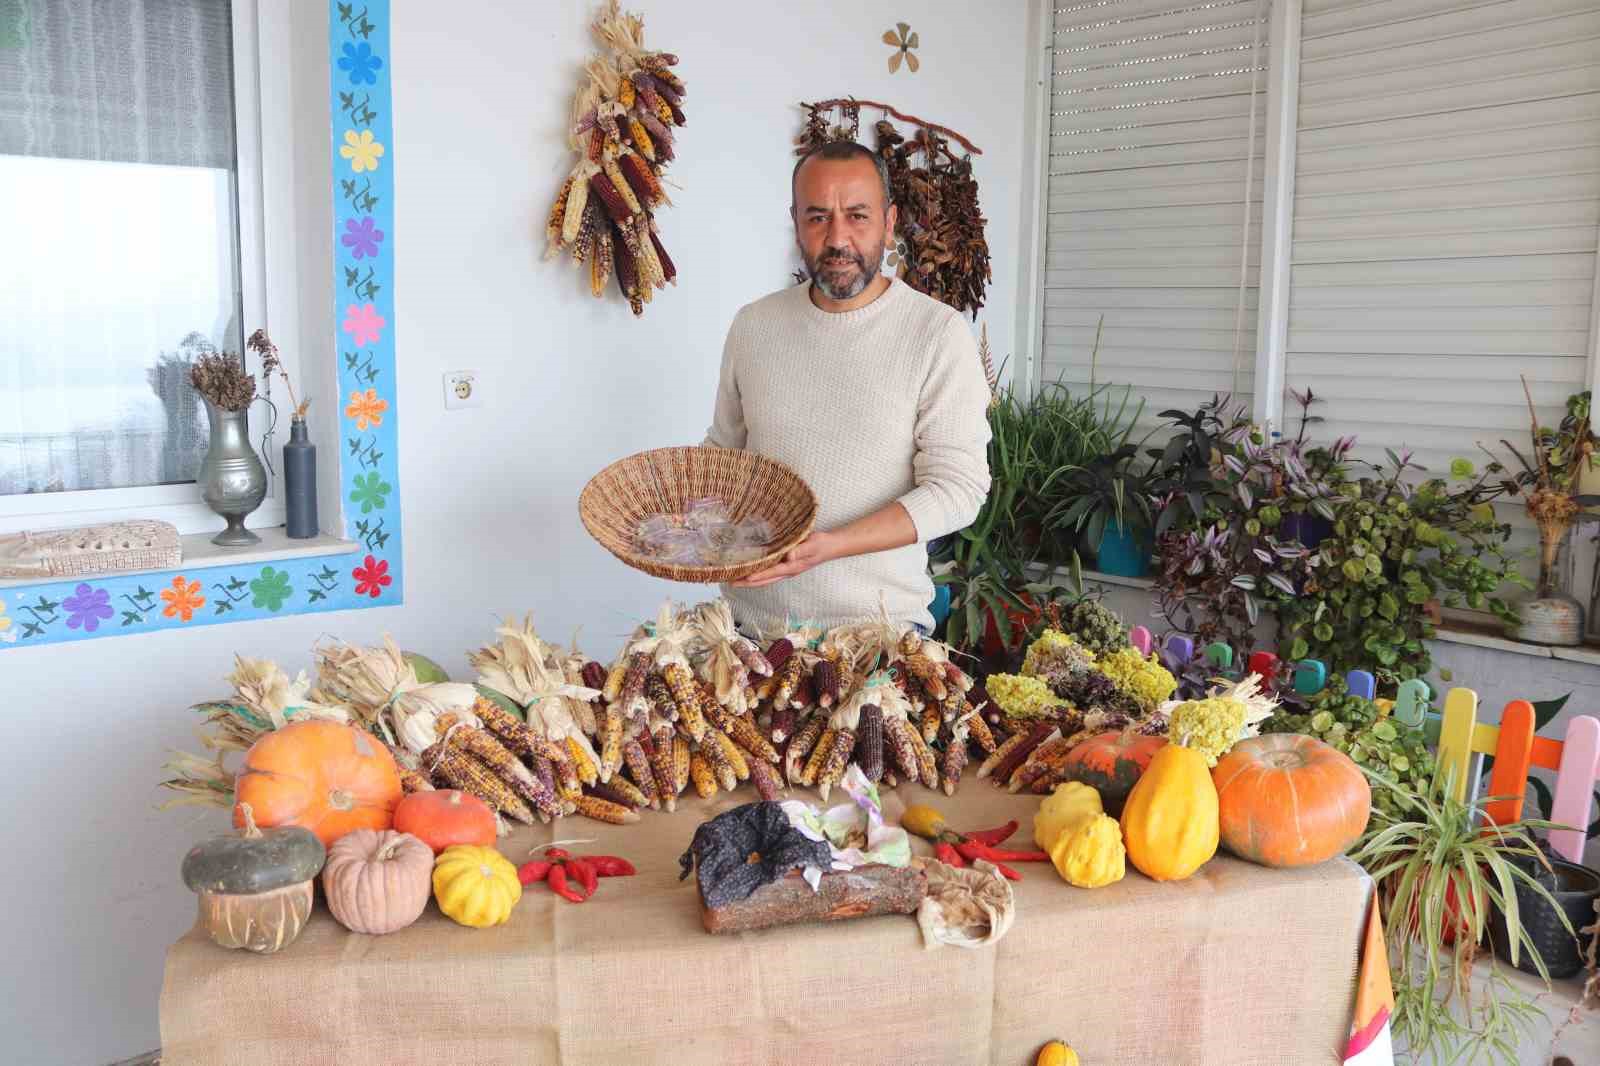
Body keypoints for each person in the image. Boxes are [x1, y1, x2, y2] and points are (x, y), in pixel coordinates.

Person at [703, 140, 992, 637]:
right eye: (818, 217)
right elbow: (725, 457)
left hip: (877, 637)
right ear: (796, 222)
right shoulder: (754, 325)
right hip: (749, 631)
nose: (838, 239)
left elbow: (958, 489)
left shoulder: (936, 334)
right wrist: (687, 527)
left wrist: (830, 545)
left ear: (890, 220)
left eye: (858, 216)